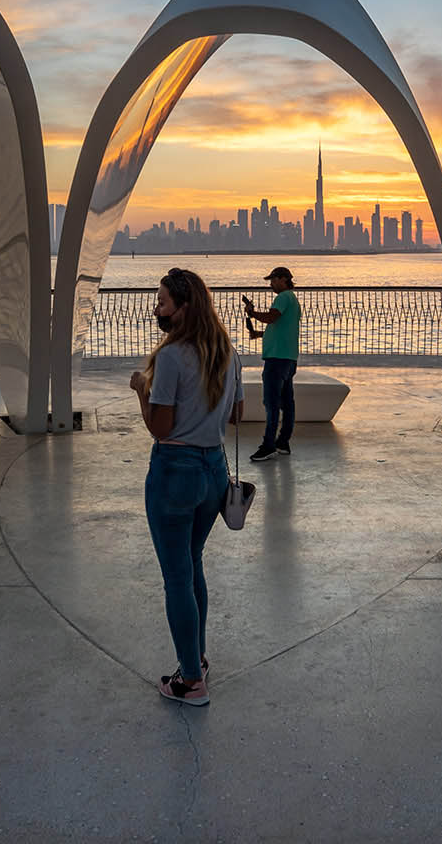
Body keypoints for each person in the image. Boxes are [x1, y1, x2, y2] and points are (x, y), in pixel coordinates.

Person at [128, 268, 244, 707]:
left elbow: (160, 428)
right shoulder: (228, 354)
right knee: (192, 564)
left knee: (176, 578)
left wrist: (142, 389)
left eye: (162, 302)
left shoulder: (174, 357)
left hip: (175, 471)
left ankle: (191, 682)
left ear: (184, 307)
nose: (157, 309)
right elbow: (235, 415)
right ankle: (196, 657)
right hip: (213, 471)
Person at [243, 266, 301, 462]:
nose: (270, 284)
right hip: (288, 357)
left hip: (277, 359)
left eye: (273, 280)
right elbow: (280, 327)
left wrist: (253, 313)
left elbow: (271, 318)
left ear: (284, 279)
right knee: (287, 402)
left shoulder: (283, 297)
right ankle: (282, 442)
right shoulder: (292, 300)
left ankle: (268, 445)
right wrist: (258, 334)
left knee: (271, 403)